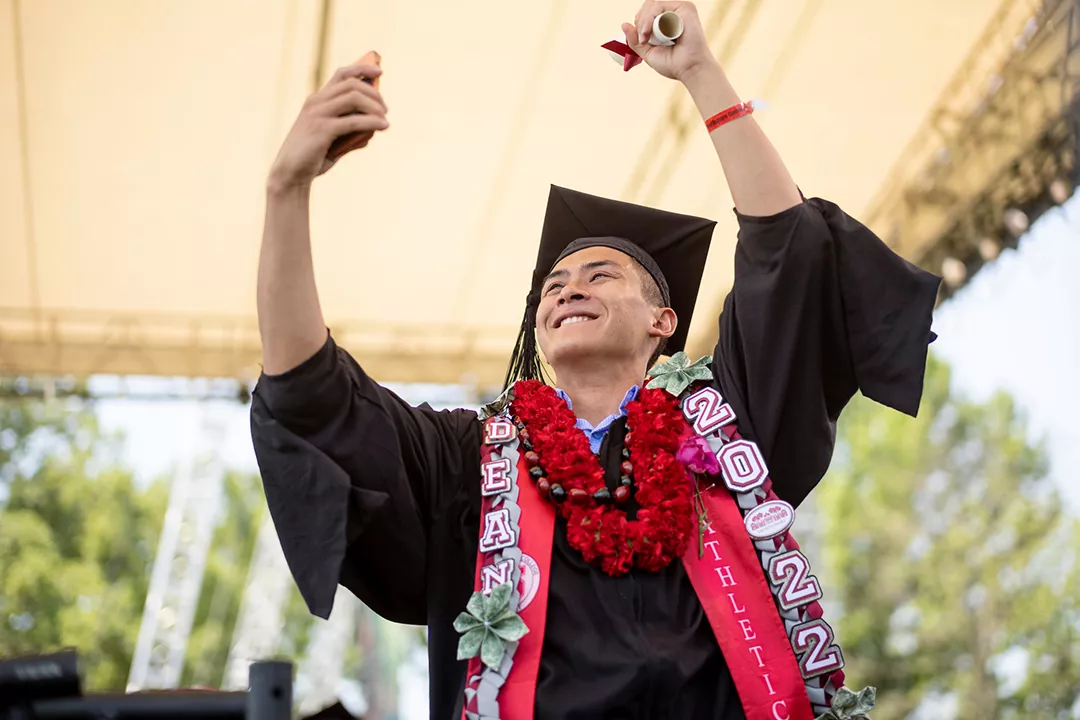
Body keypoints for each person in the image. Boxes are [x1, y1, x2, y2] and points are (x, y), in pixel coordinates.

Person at [250, 3, 940, 718]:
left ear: (663, 322)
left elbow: (788, 256)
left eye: (600, 276)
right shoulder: (469, 464)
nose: (568, 287)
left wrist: (701, 72)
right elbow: (312, 394)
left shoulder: (724, 428)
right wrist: (285, 190)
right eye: (553, 286)